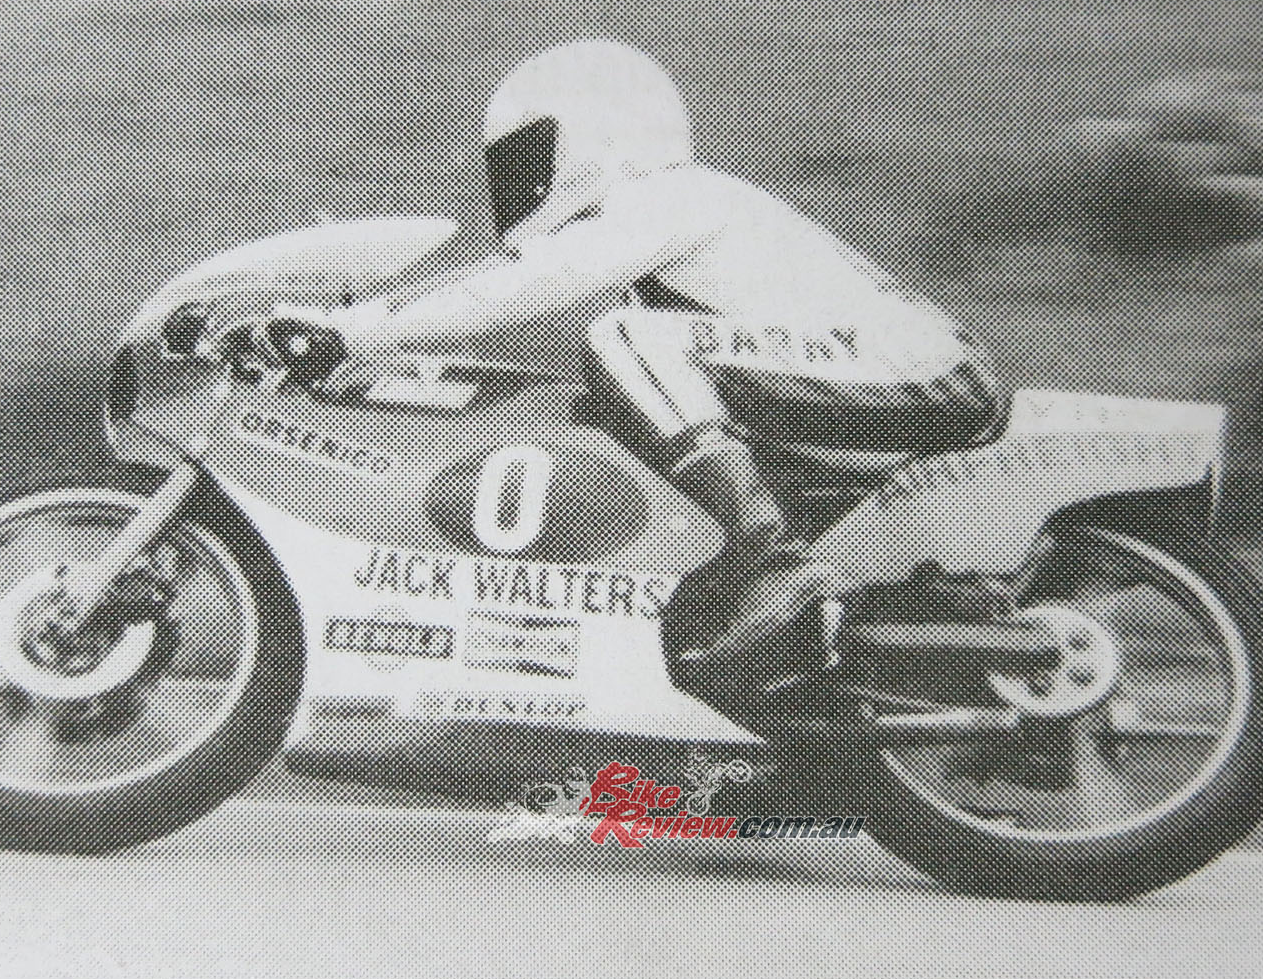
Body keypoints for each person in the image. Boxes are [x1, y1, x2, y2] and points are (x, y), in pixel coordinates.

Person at [287, 39, 992, 669]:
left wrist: (350, 332)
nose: (519, 181)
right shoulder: (662, 219)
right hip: (886, 373)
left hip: (920, 373)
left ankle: (766, 554)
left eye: (530, 155)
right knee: (620, 399)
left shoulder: (670, 196)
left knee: (628, 341)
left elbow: (527, 284)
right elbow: (502, 277)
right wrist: (355, 321)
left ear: (594, 137)